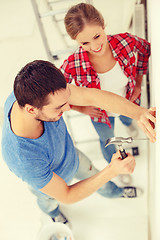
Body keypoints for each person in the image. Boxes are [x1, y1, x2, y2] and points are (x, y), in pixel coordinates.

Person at [1, 60, 156, 226]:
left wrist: (139, 113)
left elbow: (92, 96)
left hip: (71, 156)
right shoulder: (23, 159)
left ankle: (114, 192)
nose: (68, 108)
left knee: (95, 176)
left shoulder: (33, 94)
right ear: (31, 110)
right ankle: (54, 214)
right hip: (50, 184)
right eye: (60, 107)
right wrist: (112, 170)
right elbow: (67, 195)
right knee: (50, 201)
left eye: (67, 101)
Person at [60, 3, 151, 175]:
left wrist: (138, 82)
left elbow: (145, 50)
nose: (94, 46)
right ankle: (116, 169)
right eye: (85, 42)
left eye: (97, 36)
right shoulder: (73, 63)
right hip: (101, 116)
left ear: (103, 25)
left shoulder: (126, 41)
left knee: (128, 120)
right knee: (107, 141)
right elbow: (55, 93)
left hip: (129, 101)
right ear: (76, 41)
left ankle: (129, 125)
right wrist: (81, 108)